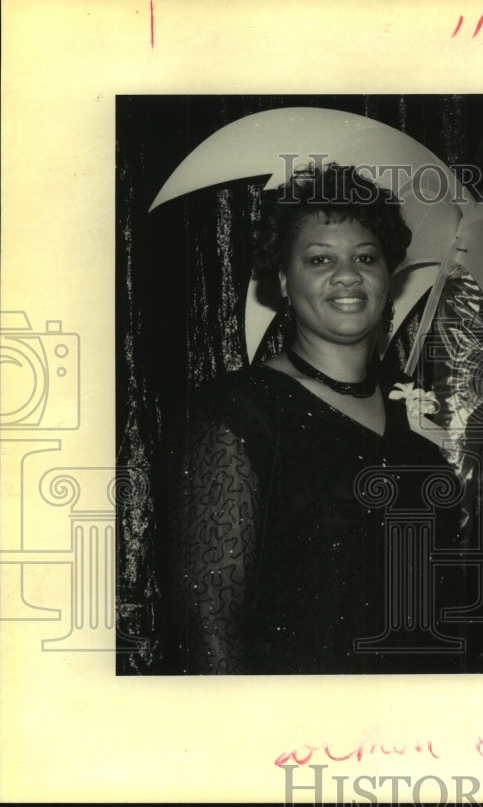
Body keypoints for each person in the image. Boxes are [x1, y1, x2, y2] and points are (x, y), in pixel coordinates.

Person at [166, 163, 462, 674]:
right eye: (320, 259)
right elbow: (207, 625)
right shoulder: (240, 412)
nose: (347, 275)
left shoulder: (414, 421)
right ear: (283, 281)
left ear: (387, 278)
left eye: (365, 258)